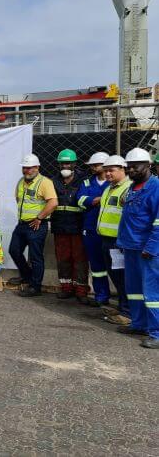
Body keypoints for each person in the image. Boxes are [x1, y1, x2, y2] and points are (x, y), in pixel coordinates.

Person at [117, 148, 159, 348]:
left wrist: (151, 247)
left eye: (136, 166)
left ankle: (156, 332)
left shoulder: (156, 188)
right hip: (131, 247)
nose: (131, 170)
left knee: (152, 294)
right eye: (129, 167)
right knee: (133, 290)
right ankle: (139, 323)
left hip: (147, 250)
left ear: (148, 165)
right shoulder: (131, 187)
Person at [8, 153, 58, 297]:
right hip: (22, 224)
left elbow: (53, 202)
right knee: (14, 251)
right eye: (25, 168)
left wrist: (39, 218)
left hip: (36, 225)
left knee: (36, 257)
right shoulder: (20, 182)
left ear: (37, 167)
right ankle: (27, 276)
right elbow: (18, 199)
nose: (27, 171)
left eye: (30, 168)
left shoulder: (45, 182)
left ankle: (35, 287)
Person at [97, 155, 132, 325]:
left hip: (118, 242)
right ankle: (122, 306)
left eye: (112, 170)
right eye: (106, 170)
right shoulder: (110, 188)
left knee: (123, 277)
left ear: (122, 169)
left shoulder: (128, 188)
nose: (108, 173)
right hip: (107, 240)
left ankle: (127, 313)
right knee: (115, 276)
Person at [51, 149, 89, 302]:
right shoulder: (53, 181)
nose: (65, 165)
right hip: (60, 226)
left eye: (68, 163)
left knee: (80, 259)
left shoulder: (83, 180)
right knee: (63, 258)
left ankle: (81, 290)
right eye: (62, 163)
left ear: (74, 163)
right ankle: (66, 288)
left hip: (78, 226)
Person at [76, 152, 111, 306]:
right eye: (91, 165)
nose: (92, 167)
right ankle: (101, 296)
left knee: (116, 267)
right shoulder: (87, 183)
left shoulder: (114, 183)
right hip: (90, 229)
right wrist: (96, 200)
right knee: (97, 267)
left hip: (110, 232)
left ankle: (124, 300)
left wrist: (93, 201)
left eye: (95, 165)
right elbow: (80, 200)